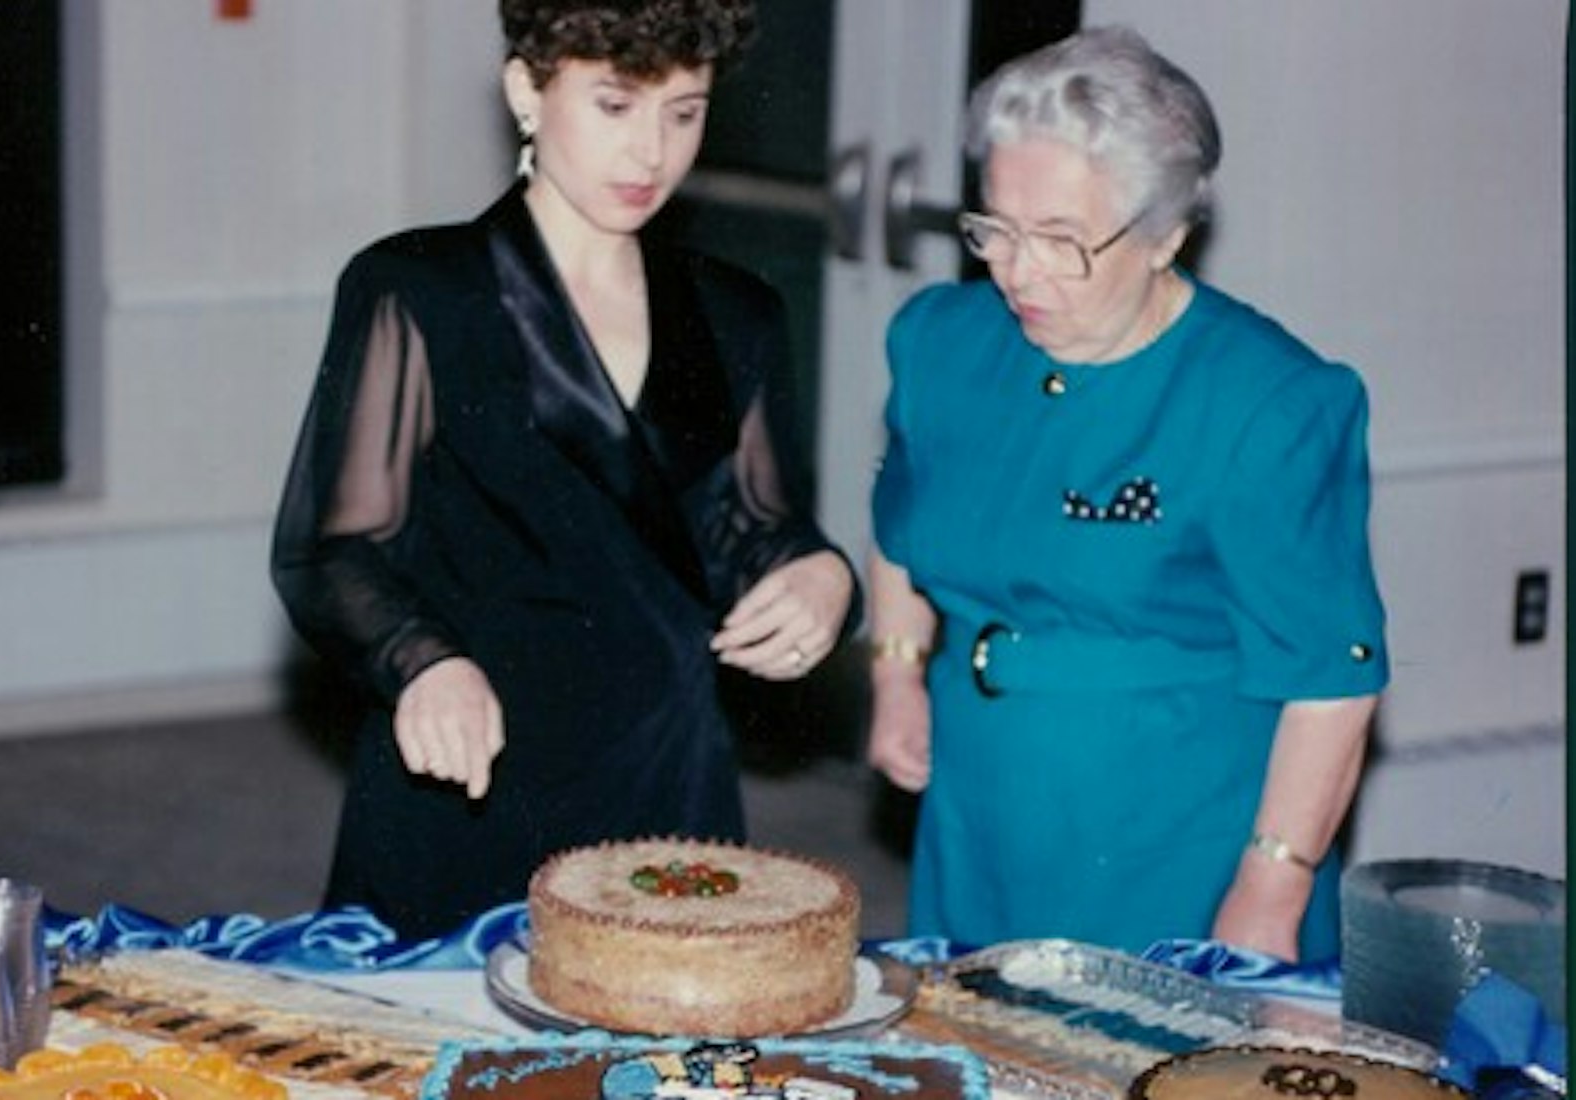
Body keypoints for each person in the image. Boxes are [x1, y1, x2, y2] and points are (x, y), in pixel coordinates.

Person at [271, 0, 857, 941]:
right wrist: (425, 662)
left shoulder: (736, 311)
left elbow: (762, 529)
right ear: (526, 92)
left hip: (666, 769)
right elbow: (331, 549)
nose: (651, 155)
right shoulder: (417, 289)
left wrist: (825, 578)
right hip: (471, 759)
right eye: (616, 105)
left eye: (684, 112)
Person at [866, 25, 1387, 963]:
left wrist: (1274, 882)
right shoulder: (940, 344)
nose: (1018, 271)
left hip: (1176, 834)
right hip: (978, 816)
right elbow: (902, 527)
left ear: (1165, 236)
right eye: (996, 229)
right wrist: (898, 671)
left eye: (1062, 241)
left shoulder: (1267, 404)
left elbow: (1333, 680)